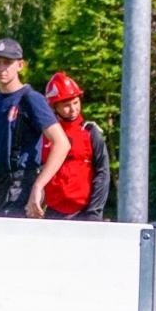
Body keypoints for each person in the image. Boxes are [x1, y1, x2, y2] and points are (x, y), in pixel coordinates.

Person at [0, 39, 69, 218]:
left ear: (20, 65)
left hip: (21, 186)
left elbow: (62, 143)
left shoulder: (31, 99)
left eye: (8, 63)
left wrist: (38, 186)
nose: (2, 68)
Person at [39, 72, 112, 221]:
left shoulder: (90, 132)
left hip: (84, 213)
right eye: (66, 105)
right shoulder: (45, 136)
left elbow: (103, 173)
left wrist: (94, 213)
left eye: (76, 102)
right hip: (53, 213)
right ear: (54, 107)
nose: (73, 109)